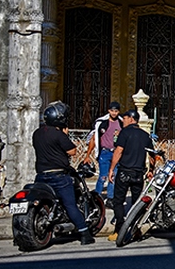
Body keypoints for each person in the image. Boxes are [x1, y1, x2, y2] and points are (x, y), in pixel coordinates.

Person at [34, 101, 96, 245]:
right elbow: (72, 151)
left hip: (41, 175)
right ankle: (84, 233)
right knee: (70, 204)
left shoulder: (37, 133)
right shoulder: (58, 135)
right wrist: (65, 135)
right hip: (58, 175)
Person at [106, 109, 155, 241]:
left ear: (132, 119)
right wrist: (151, 169)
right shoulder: (145, 135)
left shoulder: (125, 133)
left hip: (124, 172)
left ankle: (118, 230)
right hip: (138, 173)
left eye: (125, 118)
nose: (123, 121)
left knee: (118, 201)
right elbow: (152, 154)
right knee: (137, 202)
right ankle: (136, 229)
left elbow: (118, 151)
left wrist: (111, 169)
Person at [82, 101, 122, 202]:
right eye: (112, 111)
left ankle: (110, 198)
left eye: (116, 111)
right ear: (109, 111)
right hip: (104, 152)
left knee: (113, 176)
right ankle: (97, 196)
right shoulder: (101, 123)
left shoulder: (121, 123)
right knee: (103, 176)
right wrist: (88, 155)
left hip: (116, 153)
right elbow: (94, 139)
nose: (113, 113)